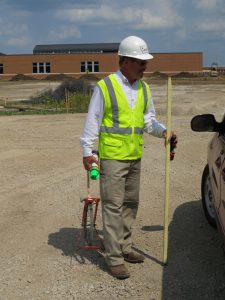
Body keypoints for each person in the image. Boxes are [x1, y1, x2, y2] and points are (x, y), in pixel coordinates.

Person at [80, 36, 177, 279]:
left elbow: (148, 121)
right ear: (124, 61)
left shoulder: (143, 88)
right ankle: (114, 258)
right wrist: (87, 152)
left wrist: (163, 131)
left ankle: (124, 246)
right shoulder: (106, 86)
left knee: (130, 205)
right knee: (113, 207)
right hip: (112, 157)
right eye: (140, 62)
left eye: (145, 61)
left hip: (134, 156)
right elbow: (92, 121)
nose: (145, 66)